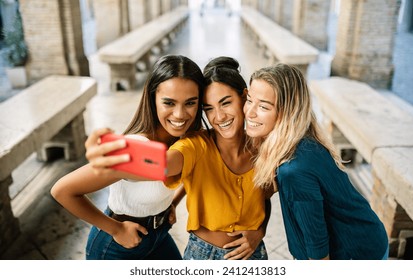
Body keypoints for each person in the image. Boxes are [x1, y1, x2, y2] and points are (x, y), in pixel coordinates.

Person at [85, 57, 271, 260]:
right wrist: (117, 153)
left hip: (252, 253)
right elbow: (163, 163)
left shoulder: (263, 146)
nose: (219, 116)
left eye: (225, 103)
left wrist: (259, 231)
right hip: (203, 255)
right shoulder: (195, 145)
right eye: (208, 108)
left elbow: (264, 198)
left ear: (245, 98)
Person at [50, 54, 206, 260]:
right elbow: (62, 191)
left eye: (190, 103)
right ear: (152, 99)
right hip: (117, 246)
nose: (179, 114)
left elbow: (191, 166)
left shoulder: (188, 138)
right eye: (169, 102)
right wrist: (115, 229)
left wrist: (172, 204)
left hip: (159, 235)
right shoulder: (138, 146)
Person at [243, 63, 389, 260]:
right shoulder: (303, 137)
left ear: (287, 112)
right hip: (368, 234)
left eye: (263, 106)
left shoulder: (294, 170)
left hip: (356, 252)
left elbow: (318, 252)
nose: (249, 112)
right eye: (249, 100)